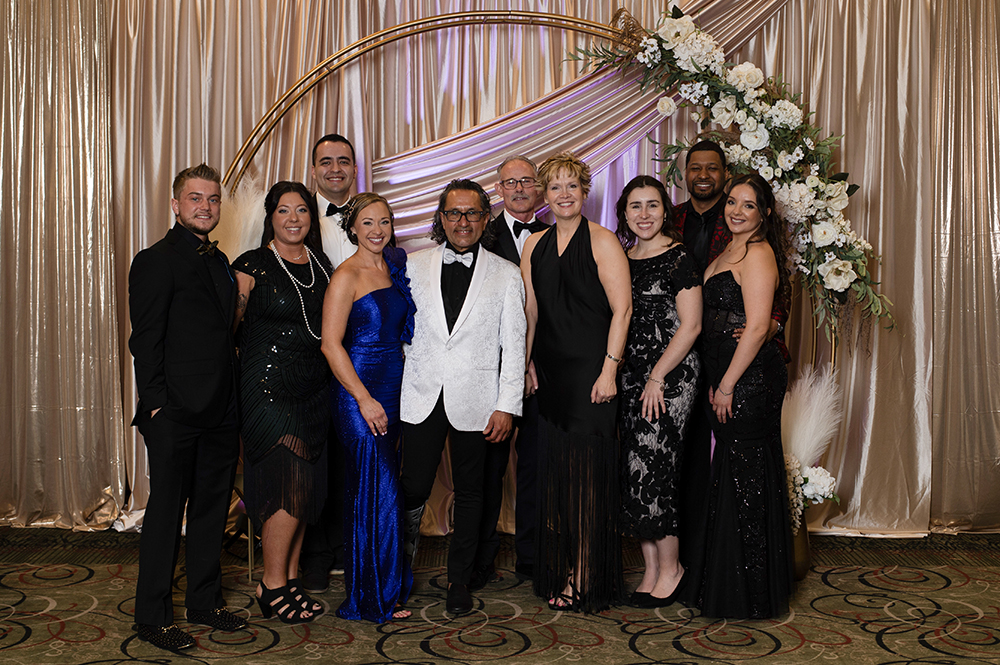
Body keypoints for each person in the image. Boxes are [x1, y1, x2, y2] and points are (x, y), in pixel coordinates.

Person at [128, 164, 247, 651]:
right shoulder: (155, 260)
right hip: (174, 413)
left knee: (211, 510)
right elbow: (145, 340)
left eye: (213, 199)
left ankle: (203, 601)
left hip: (220, 409)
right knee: (164, 514)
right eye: (195, 198)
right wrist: (155, 406)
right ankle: (151, 616)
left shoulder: (220, 261)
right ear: (175, 205)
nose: (206, 206)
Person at [400, 179, 526, 616]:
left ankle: (459, 579)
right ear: (440, 217)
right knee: (412, 486)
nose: (462, 221)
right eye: (453, 213)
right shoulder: (411, 265)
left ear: (485, 217)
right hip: (420, 394)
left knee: (473, 492)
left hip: (479, 399)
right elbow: (399, 331)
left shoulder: (507, 274)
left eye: (472, 212)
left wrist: (507, 404)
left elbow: (515, 344)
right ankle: (398, 572)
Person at [521, 152, 631, 613]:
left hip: (591, 377)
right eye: (555, 187)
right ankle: (569, 566)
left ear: (584, 192)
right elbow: (531, 311)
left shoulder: (604, 242)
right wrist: (524, 364)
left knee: (587, 482)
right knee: (560, 482)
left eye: (572, 186)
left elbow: (622, 310)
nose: (564, 194)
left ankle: (586, 573)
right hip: (549, 376)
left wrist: (609, 371)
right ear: (544, 197)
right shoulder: (533, 245)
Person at [681, 173, 794, 619]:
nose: (736, 211)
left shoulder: (760, 253)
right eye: (733, 202)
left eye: (749, 205)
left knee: (745, 477)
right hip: (723, 372)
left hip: (748, 380)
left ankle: (748, 591)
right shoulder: (726, 250)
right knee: (733, 473)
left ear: (764, 213)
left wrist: (727, 383)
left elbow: (761, 325)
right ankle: (732, 580)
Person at [232, 181, 333, 624]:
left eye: (302, 211)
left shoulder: (323, 265)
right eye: (284, 210)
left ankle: (288, 580)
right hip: (268, 390)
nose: (294, 219)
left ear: (311, 219)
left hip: (313, 390)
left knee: (306, 488)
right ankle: (271, 584)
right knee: (286, 487)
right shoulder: (250, 265)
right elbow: (227, 329)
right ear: (270, 217)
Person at [321, 193, 415, 623]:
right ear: (353, 228)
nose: (377, 230)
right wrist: (363, 398)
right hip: (360, 393)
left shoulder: (391, 267)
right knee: (377, 491)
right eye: (368, 223)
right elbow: (330, 345)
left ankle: (383, 588)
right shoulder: (346, 275)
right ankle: (373, 595)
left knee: (381, 490)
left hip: (394, 390)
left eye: (384, 222)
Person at [614, 176, 702, 609]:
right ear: (624, 213)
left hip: (670, 377)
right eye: (636, 206)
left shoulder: (679, 257)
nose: (644, 214)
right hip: (631, 377)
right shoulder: (623, 258)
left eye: (652, 205)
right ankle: (651, 570)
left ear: (665, 211)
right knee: (636, 469)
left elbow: (691, 326)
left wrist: (657, 377)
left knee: (657, 467)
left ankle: (673, 569)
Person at [480, 154, 548, 585]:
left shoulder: (559, 233)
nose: (520, 189)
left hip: (542, 370)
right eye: (511, 182)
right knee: (486, 468)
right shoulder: (476, 234)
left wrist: (533, 360)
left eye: (527, 181)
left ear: (539, 189)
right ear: (499, 190)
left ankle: (533, 556)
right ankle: (480, 559)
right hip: (489, 370)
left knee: (536, 467)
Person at [301, 133, 357, 593]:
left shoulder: (372, 216)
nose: (335, 169)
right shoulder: (299, 215)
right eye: (326, 162)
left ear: (354, 169)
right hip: (312, 355)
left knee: (351, 458)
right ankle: (317, 554)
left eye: (343, 161)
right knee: (315, 457)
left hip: (362, 357)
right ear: (314, 169)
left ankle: (346, 547)